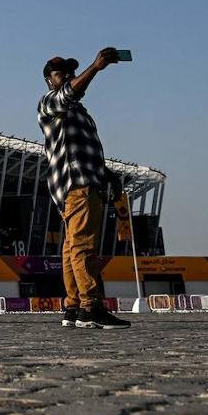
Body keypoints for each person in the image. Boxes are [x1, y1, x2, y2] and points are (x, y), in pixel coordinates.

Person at [38, 49, 132, 330]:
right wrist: (96, 67)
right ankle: (92, 307)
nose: (66, 75)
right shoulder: (50, 103)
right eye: (60, 73)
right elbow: (68, 93)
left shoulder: (79, 113)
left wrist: (108, 175)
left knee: (71, 249)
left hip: (86, 181)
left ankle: (74, 306)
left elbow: (83, 151)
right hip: (76, 185)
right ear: (48, 81)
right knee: (83, 247)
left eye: (69, 71)